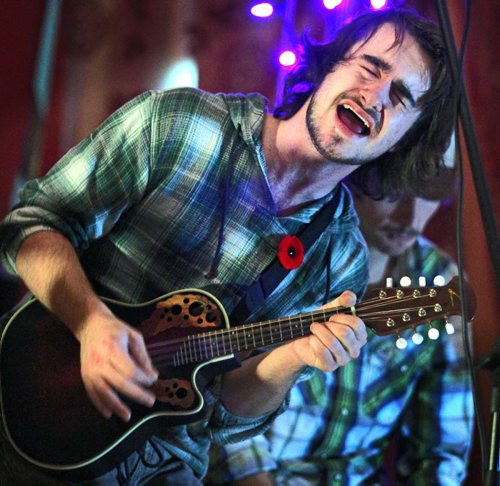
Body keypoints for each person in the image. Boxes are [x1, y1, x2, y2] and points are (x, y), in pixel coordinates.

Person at [0, 7, 455, 485]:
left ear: (406, 138)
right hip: (33, 410)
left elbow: (227, 416)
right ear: (331, 63)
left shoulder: (341, 263)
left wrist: (294, 356)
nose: (375, 95)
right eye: (370, 67)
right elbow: (32, 226)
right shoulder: (179, 123)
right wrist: (91, 321)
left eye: (401, 97)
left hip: (162, 468)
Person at [207, 163, 474, 485]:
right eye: (395, 193)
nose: (411, 218)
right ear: (356, 179)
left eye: (428, 197)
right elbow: (219, 401)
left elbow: (443, 447)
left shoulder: (438, 278)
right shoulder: (286, 254)